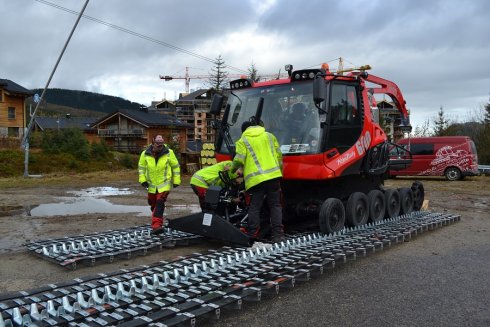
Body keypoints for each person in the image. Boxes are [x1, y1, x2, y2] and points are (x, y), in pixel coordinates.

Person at [230, 121, 285, 243]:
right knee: (275, 206)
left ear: (244, 130)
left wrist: (232, 170)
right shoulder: (269, 136)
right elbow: (279, 157)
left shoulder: (243, 140)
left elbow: (238, 160)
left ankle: (253, 234)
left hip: (256, 180)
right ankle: (278, 235)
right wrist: (279, 173)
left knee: (254, 207)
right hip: (274, 177)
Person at [138, 135, 181, 235]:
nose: (160, 147)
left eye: (161, 145)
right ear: (153, 143)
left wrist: (176, 180)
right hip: (151, 185)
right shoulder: (145, 154)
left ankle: (156, 226)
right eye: (158, 145)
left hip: (164, 184)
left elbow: (175, 167)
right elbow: (141, 168)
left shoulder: (169, 153)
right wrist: (143, 180)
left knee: (159, 203)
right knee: (153, 205)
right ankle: (158, 221)